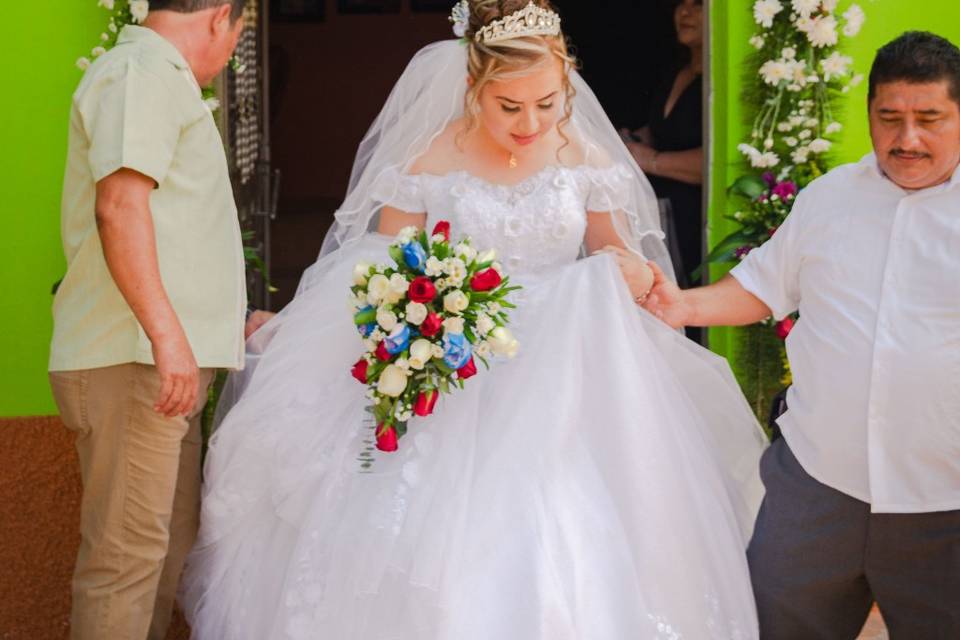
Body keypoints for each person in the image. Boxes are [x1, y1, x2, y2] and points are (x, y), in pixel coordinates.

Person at [181, 2, 767, 638]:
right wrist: (313, 321)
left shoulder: (584, 155)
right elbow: (378, 266)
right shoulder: (430, 158)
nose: (531, 122)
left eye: (547, 102)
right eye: (509, 107)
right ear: (473, 89)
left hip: (566, 372)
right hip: (456, 368)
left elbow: (612, 250)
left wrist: (625, 267)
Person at [643, 31, 960, 640]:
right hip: (817, 486)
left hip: (941, 501)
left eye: (929, 119)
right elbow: (762, 286)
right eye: (889, 118)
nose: (906, 139)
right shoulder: (830, 197)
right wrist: (679, 304)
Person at [47, 2, 251, 638]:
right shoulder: (143, 72)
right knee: (126, 563)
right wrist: (169, 338)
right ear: (221, 17)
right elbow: (119, 206)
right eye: (241, 35)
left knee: (161, 557)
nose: (233, 51)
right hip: (138, 361)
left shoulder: (156, 75)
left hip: (158, 365)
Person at [624, 0, 704, 291]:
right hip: (662, 213)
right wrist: (631, 141)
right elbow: (666, 130)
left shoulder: (718, 81)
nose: (685, 12)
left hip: (696, 217)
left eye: (699, 4)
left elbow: (716, 158)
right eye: (680, 4)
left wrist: (651, 160)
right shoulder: (677, 71)